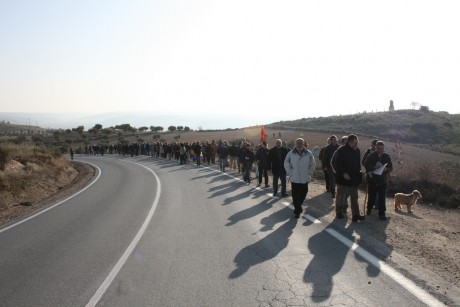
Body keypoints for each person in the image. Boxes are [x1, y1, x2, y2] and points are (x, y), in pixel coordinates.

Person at [332, 134, 365, 221]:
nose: (356, 144)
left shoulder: (357, 150)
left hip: (354, 178)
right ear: (349, 142)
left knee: (354, 197)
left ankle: (356, 215)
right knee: (340, 195)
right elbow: (336, 163)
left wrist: (359, 173)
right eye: (354, 143)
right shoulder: (341, 150)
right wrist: (343, 173)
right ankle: (339, 212)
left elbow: (358, 164)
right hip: (342, 178)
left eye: (356, 142)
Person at [284, 138, 316, 219]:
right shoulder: (290, 153)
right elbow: (286, 163)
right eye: (298, 143)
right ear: (295, 144)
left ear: (303, 144)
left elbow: (313, 164)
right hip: (295, 178)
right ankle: (297, 211)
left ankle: (298, 206)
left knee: (304, 193)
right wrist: (290, 173)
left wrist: (309, 172)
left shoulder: (309, 153)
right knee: (295, 196)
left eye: (301, 143)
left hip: (305, 178)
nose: (299, 145)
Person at [364, 141, 393, 220]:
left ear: (384, 148)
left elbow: (390, 167)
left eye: (382, 148)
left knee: (382, 197)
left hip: (382, 179)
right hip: (373, 179)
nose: (380, 150)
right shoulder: (371, 155)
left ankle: (382, 213)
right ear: (375, 148)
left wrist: (387, 169)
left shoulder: (386, 156)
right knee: (372, 196)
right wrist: (374, 167)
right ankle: (369, 208)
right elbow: (366, 164)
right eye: (379, 148)